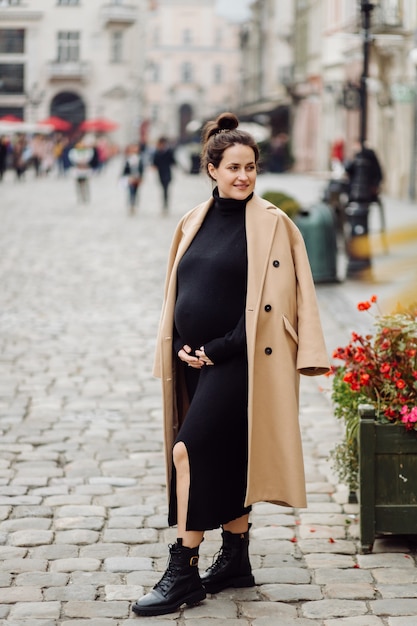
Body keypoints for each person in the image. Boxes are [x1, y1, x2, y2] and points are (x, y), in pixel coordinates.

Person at [132, 112, 330, 618]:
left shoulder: (272, 224)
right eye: (234, 167)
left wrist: (217, 348)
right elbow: (179, 289)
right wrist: (179, 342)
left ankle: (184, 569)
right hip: (194, 361)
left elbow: (275, 307)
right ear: (212, 169)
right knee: (227, 454)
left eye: (251, 167)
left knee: (187, 451)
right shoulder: (193, 220)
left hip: (242, 361)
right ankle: (236, 559)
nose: (243, 176)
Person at [152, 136, 176, 212]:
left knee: (166, 189)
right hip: (160, 174)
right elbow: (155, 162)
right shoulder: (157, 152)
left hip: (167, 173)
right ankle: (164, 203)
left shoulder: (168, 152)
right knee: (163, 189)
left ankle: (165, 204)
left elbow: (173, 161)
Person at [68, 139, 94, 203]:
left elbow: (89, 158)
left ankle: (85, 197)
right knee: (79, 185)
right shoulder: (73, 152)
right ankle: (80, 197)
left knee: (85, 184)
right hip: (78, 171)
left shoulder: (87, 152)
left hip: (85, 171)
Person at [121, 143, 144, 216]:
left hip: (137, 178)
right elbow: (125, 170)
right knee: (131, 192)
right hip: (130, 178)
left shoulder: (139, 158)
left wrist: (141, 177)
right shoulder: (128, 159)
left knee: (136, 192)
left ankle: (134, 204)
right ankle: (131, 205)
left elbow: (141, 169)